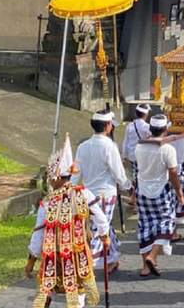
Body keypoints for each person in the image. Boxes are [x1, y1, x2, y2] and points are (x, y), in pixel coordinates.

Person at [27, 134, 109, 308]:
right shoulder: (83, 194)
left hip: (53, 254)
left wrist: (32, 260)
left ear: (57, 178)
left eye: (50, 176)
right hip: (78, 253)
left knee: (47, 289)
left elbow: (39, 233)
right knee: (77, 292)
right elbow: (101, 219)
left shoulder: (48, 202)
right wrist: (105, 237)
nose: (49, 180)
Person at [71, 110, 131, 272]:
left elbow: (75, 172)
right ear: (109, 126)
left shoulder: (83, 146)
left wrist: (70, 190)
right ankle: (88, 264)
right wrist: (128, 187)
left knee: (103, 225)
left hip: (89, 194)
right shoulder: (109, 146)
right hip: (105, 194)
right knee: (99, 228)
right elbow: (118, 173)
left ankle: (111, 259)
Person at [134, 115, 184, 277]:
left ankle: (145, 266)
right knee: (167, 222)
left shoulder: (139, 146)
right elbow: (173, 174)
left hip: (142, 190)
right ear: (165, 129)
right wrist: (180, 193)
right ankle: (152, 255)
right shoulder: (168, 149)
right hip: (160, 190)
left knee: (145, 226)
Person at [122, 103, 150, 187]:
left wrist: (124, 157)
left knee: (134, 176)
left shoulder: (129, 126)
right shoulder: (147, 127)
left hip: (132, 155)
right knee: (143, 176)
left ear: (135, 114)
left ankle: (134, 194)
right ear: (146, 115)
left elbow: (125, 143)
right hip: (143, 156)